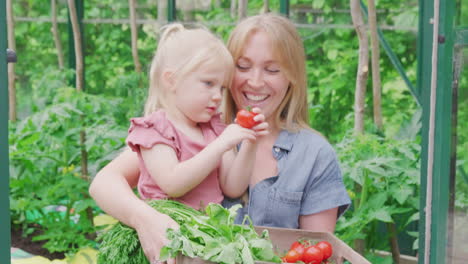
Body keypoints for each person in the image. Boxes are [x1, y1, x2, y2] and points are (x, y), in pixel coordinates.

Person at [89, 13, 350, 264]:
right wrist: (144, 218)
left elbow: (316, 250)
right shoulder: (194, 128)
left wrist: (247, 141)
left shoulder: (314, 154)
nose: (256, 82)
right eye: (243, 67)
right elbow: (104, 183)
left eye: (272, 70)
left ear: (292, 77)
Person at [123, 23, 267, 211]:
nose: (218, 96)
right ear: (171, 80)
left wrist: (250, 143)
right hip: (167, 233)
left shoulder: (213, 129)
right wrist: (220, 145)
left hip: (206, 234)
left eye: (222, 87)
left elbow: (233, 188)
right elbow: (172, 184)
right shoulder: (156, 129)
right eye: (208, 83)